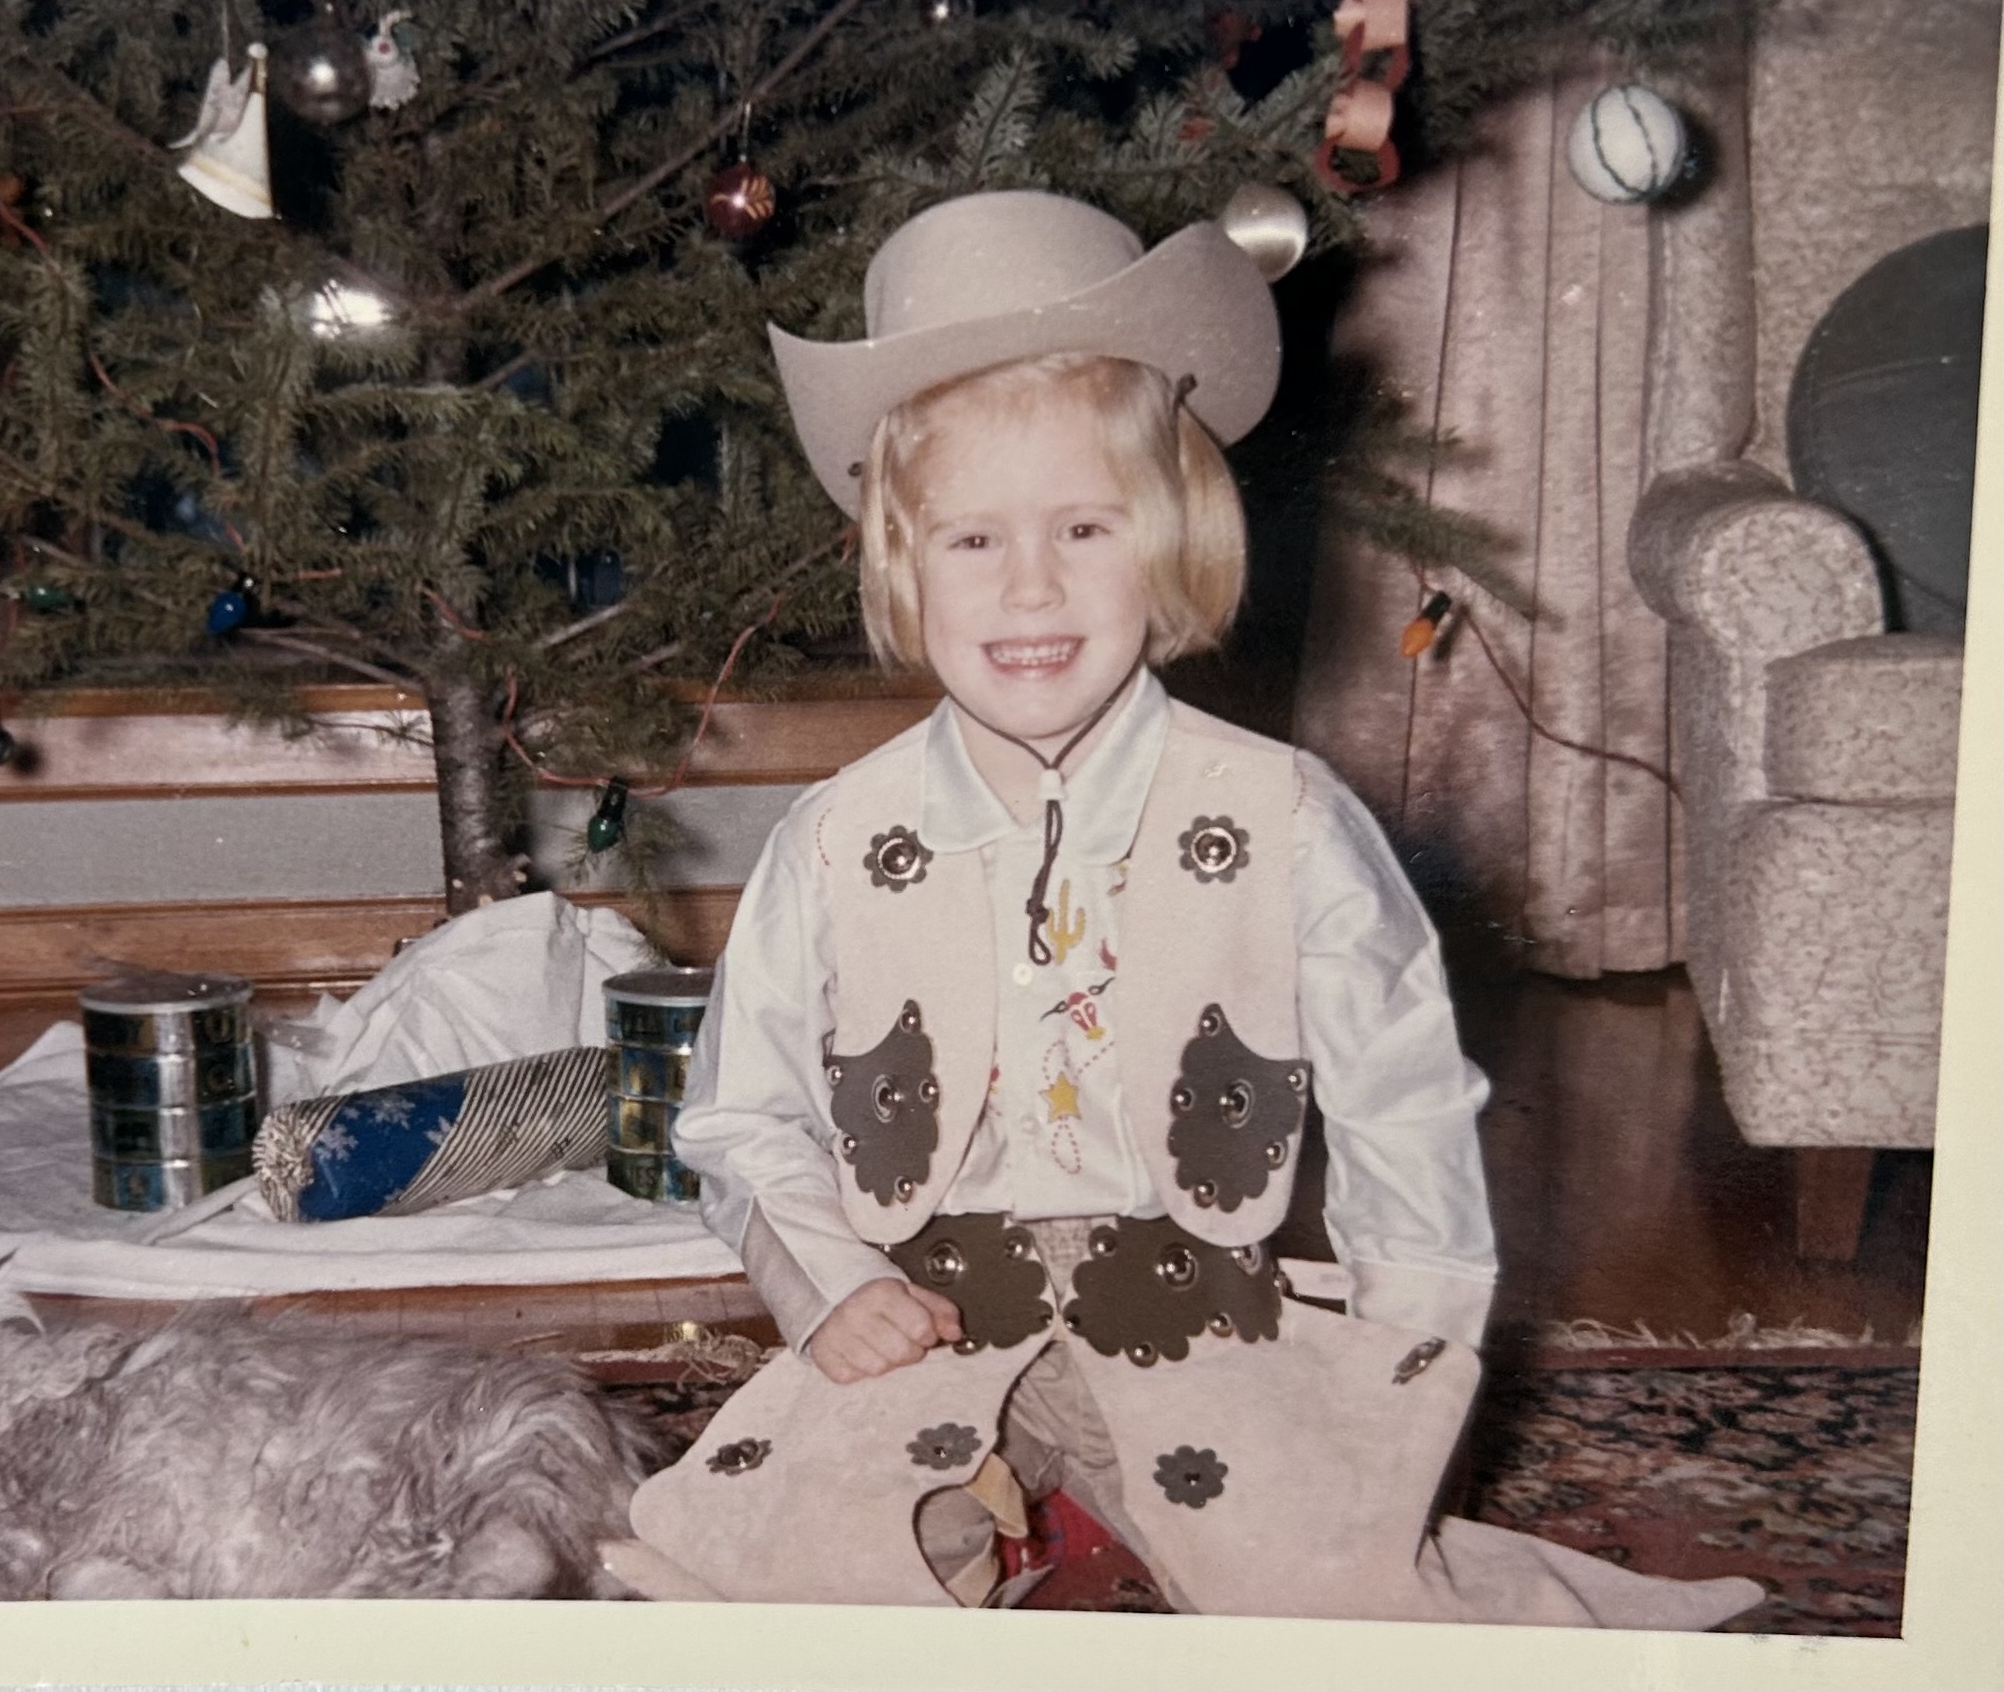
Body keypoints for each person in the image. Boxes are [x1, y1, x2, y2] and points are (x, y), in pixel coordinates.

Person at [599, 191, 1760, 1628]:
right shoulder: (835, 839)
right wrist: (830, 1286)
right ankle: (980, 1502)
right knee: (778, 1584)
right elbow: (741, 1117)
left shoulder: (1288, 819)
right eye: (972, 540)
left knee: (1339, 1601)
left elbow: (1405, 1108)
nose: (1031, 587)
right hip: (924, 1317)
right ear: (901, 560)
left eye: (1085, 526)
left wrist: (1401, 1374)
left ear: (1169, 540)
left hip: (1194, 1315)